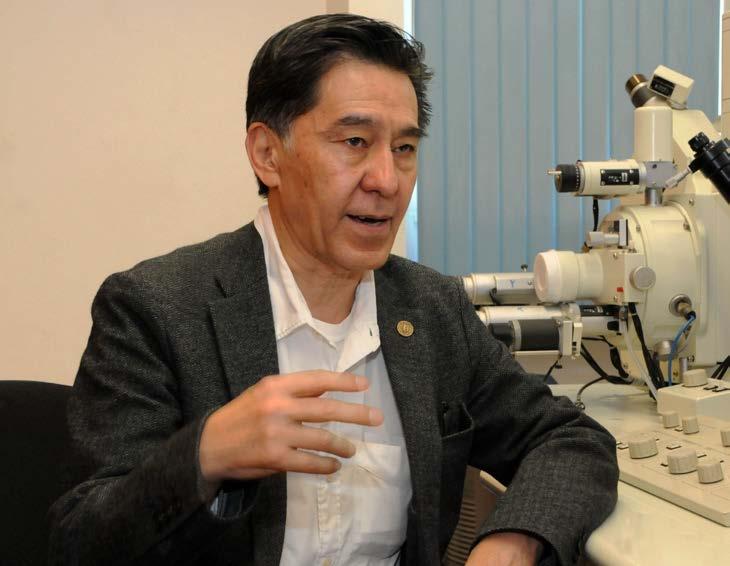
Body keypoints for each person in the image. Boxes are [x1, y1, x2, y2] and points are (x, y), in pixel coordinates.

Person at [49, 14, 618, 566]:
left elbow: (570, 439)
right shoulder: (156, 308)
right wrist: (205, 454)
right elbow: (79, 542)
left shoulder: (431, 308)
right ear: (268, 154)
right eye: (354, 141)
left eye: (404, 148)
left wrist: (515, 539)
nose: (387, 181)